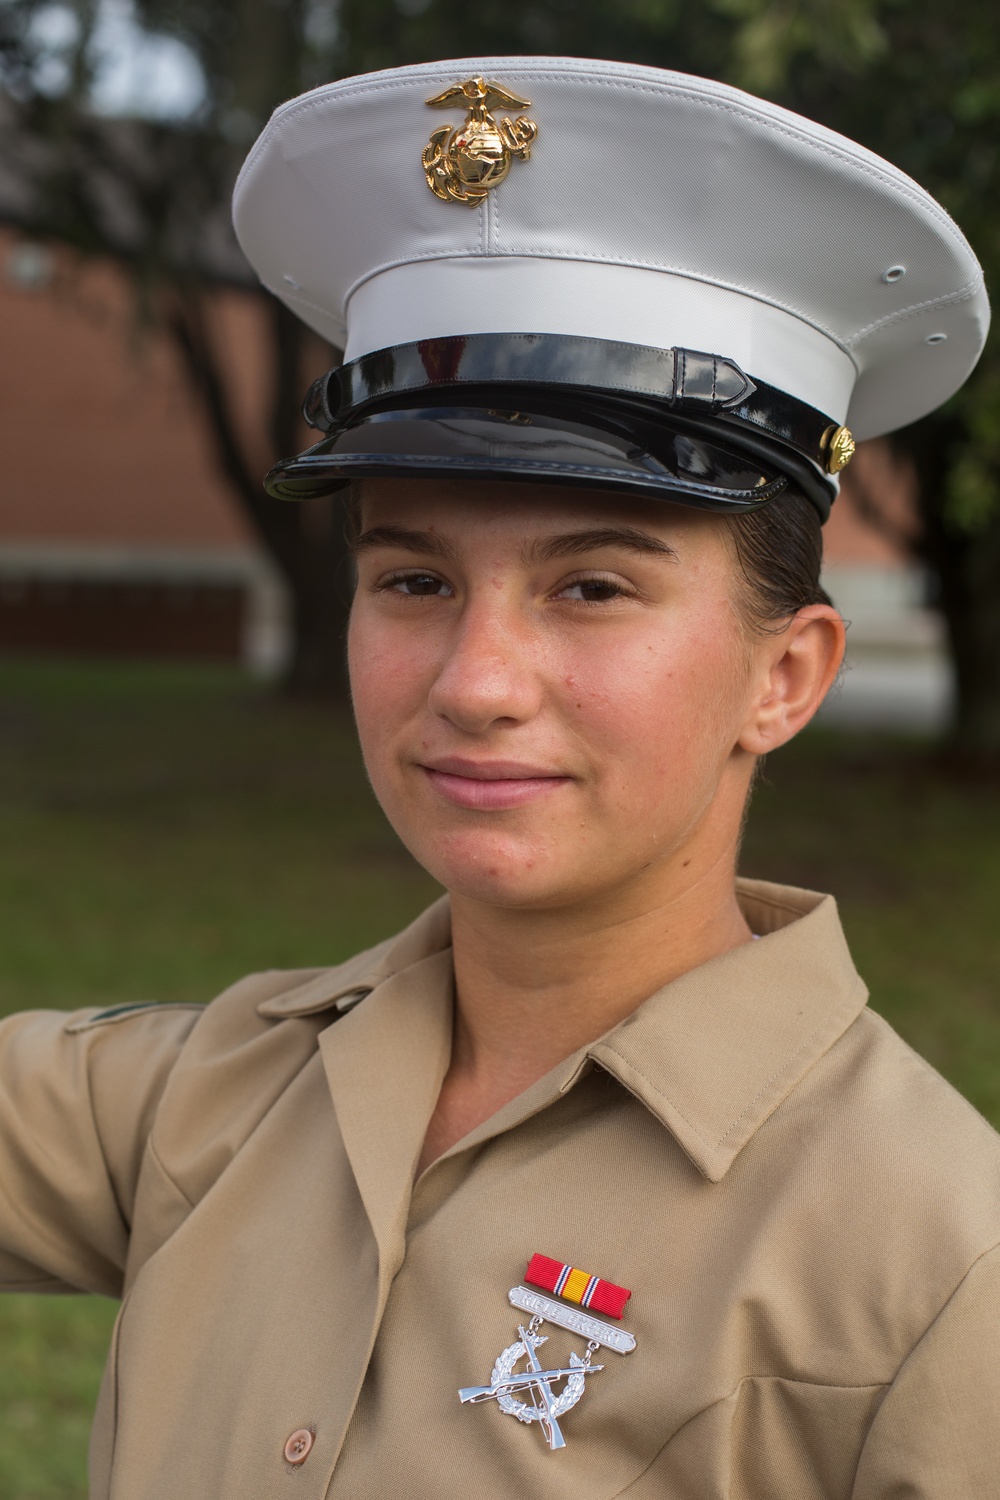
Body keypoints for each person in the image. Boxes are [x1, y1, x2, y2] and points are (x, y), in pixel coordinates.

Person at [2, 54, 998, 1500]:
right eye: (413, 577)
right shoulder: (217, 1095)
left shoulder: (933, 1265)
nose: (474, 681)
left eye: (593, 586)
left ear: (784, 675)